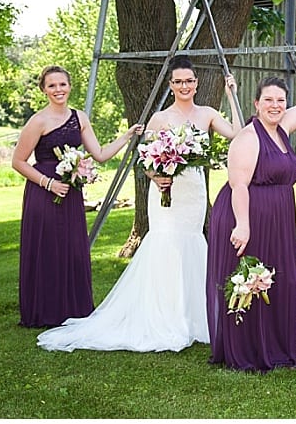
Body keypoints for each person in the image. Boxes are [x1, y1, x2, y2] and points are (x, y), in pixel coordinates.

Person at [37, 56, 241, 351]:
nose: (184, 86)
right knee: (165, 245)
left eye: (189, 81)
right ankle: (163, 317)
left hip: (193, 192)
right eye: (178, 81)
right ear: (171, 86)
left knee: (191, 244)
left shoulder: (207, 113)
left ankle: (194, 317)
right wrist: (156, 178)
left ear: (196, 84)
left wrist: (232, 95)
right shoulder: (159, 119)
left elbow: (238, 132)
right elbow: (144, 158)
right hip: (164, 194)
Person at [205, 76, 296, 372]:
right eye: (268, 99)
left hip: (278, 218)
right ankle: (248, 352)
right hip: (247, 215)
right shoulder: (248, 137)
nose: (275, 105)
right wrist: (242, 225)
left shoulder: (281, 128)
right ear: (256, 104)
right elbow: (238, 186)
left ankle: (277, 348)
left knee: (278, 282)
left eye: (280, 100)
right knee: (251, 281)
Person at [12, 65, 144, 328]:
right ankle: (45, 310)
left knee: (72, 249)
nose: (58, 90)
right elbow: (18, 161)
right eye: (52, 85)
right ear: (44, 90)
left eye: (62, 84)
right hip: (44, 192)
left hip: (71, 192)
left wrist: (128, 136)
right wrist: (48, 183)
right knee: (48, 248)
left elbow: (100, 154)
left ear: (70, 86)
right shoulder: (38, 121)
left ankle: (74, 308)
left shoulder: (79, 117)